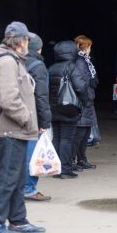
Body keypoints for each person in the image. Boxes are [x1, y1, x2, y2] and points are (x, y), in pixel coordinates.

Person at [0, 21, 45, 233]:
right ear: (20, 41)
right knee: (7, 179)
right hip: (10, 130)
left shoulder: (14, 60)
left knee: (18, 178)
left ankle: (18, 220)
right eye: (27, 39)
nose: (28, 43)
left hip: (17, 130)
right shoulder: (7, 63)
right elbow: (9, 99)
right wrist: (27, 118)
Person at [48, 40, 88, 178]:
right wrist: (84, 102)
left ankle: (56, 168)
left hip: (53, 108)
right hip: (68, 108)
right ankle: (65, 169)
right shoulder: (72, 67)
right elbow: (81, 87)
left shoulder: (51, 68)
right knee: (67, 138)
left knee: (57, 137)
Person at [23, 34, 52, 201]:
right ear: (39, 48)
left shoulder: (16, 62)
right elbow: (41, 96)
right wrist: (45, 121)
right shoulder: (38, 66)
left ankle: (18, 187)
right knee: (31, 153)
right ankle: (29, 188)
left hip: (15, 115)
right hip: (32, 116)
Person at [73, 35, 98, 170]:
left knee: (85, 132)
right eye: (89, 46)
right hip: (84, 101)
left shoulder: (85, 61)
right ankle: (74, 160)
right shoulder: (80, 62)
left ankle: (82, 159)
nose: (90, 49)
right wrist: (86, 97)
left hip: (88, 99)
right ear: (85, 47)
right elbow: (82, 83)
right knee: (80, 133)